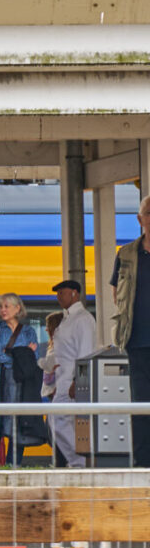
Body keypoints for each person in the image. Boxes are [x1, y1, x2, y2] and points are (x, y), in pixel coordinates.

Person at [110, 194, 150, 467]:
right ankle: (143, 465)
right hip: (137, 341)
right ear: (140, 219)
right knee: (141, 406)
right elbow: (117, 293)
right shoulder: (125, 255)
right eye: (149, 213)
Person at [0, 293, 42, 466]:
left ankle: (13, 465)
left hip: (19, 383)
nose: (3, 310)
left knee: (18, 425)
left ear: (18, 308)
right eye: (1, 307)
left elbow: (33, 357)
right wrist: (22, 354)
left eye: (7, 306)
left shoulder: (29, 331)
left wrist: (14, 354)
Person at [44, 278, 96, 468]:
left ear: (74, 293)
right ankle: (78, 462)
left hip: (73, 381)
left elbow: (86, 351)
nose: (58, 297)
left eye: (62, 293)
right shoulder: (68, 318)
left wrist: (78, 380)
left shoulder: (83, 319)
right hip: (63, 380)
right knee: (59, 421)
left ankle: (80, 463)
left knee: (60, 420)